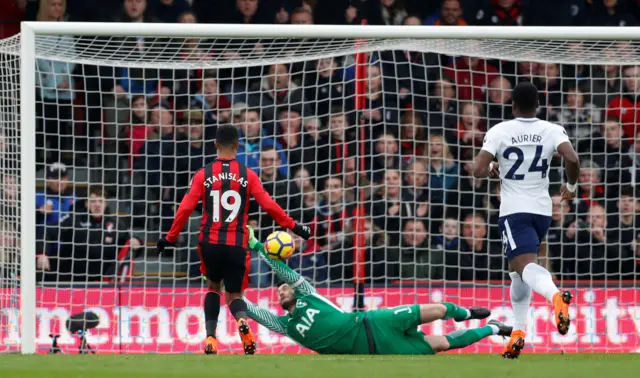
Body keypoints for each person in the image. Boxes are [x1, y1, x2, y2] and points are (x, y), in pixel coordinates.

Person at [155, 124, 311, 356]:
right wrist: (294, 226)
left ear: (215, 145)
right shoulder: (249, 175)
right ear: (238, 146)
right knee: (235, 294)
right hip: (237, 243)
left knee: (213, 287)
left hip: (210, 242)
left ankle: (210, 338)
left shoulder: (202, 174)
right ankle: (241, 322)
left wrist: (170, 237)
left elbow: (185, 208)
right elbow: (269, 205)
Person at [243, 225, 512, 355]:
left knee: (439, 309)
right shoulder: (285, 326)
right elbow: (253, 311)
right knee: (442, 343)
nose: (282, 289)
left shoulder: (307, 293)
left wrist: (257, 246)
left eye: (284, 287)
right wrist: (229, 293)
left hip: (375, 321)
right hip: (382, 348)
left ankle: (466, 312)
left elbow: (282, 271)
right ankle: (495, 329)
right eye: (279, 292)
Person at [472, 81, 581, 359]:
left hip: (514, 210)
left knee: (525, 266)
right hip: (543, 211)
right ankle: (518, 334)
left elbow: (477, 170)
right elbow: (571, 157)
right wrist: (571, 186)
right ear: (538, 105)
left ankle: (556, 296)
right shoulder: (551, 129)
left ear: (512, 105)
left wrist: (493, 166)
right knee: (517, 270)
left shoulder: (500, 131)